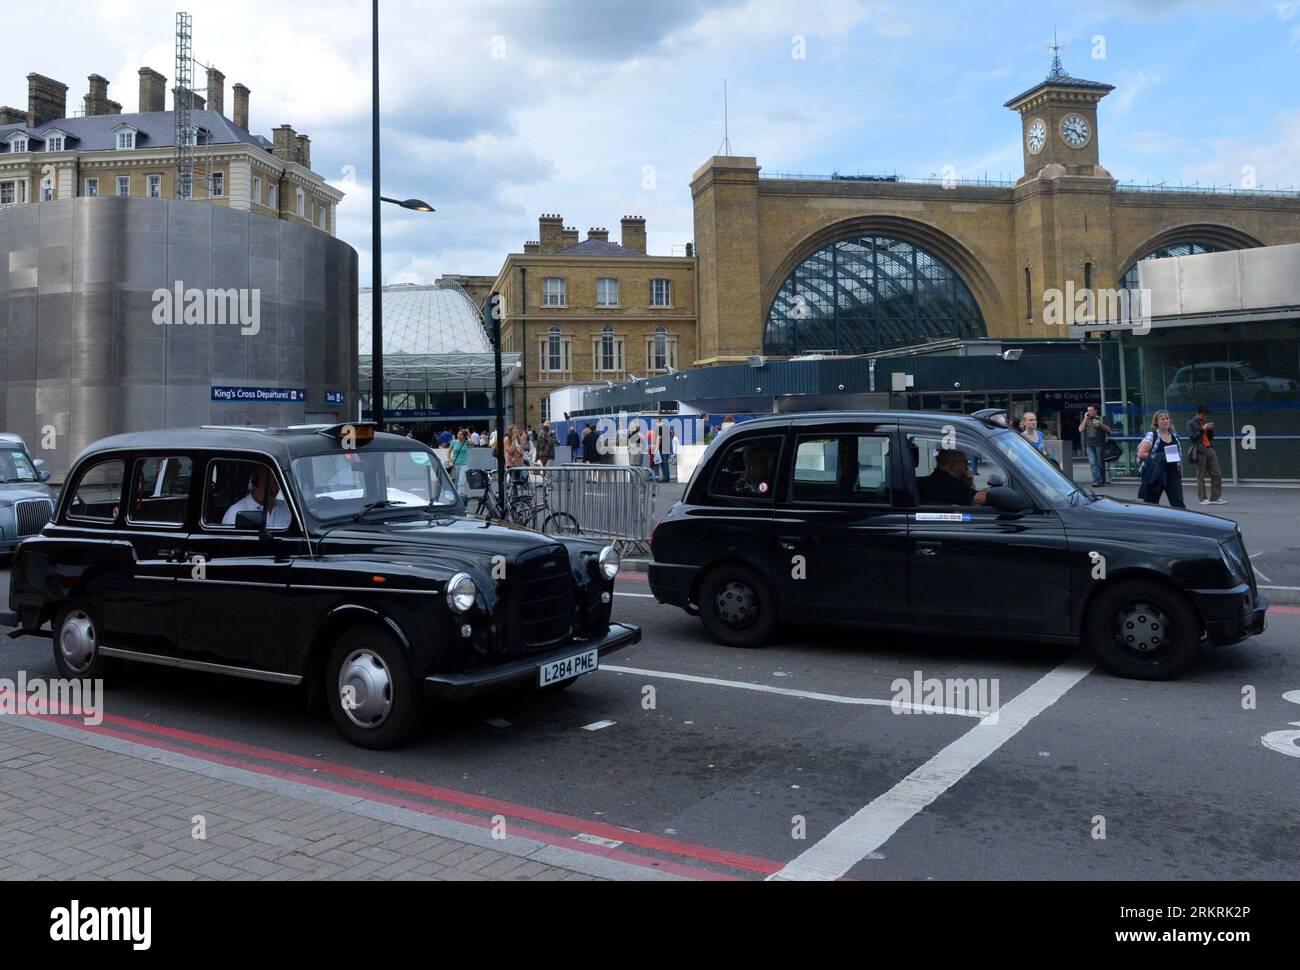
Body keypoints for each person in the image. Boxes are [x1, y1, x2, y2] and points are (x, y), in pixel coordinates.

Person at [1136, 410, 1186, 509]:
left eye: (1167, 418)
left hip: (1172, 473)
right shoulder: (1152, 435)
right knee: (1151, 504)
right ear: (1156, 422)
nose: (1165, 421)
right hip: (1156, 474)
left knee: (1178, 503)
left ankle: (1182, 523)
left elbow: (1178, 457)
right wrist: (1161, 456)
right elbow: (1141, 454)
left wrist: (1180, 471)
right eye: (1162, 419)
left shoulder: (1175, 436)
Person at [223, 464, 292, 528]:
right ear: (255, 482)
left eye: (276, 483)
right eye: (268, 483)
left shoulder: (288, 509)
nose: (273, 488)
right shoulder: (236, 512)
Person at [917, 449, 990, 506]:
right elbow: (980, 498)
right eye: (965, 461)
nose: (967, 465)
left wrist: (968, 483)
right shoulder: (947, 483)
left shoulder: (935, 479)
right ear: (954, 465)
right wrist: (998, 490)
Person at [1186, 405, 1225, 506]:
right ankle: (1202, 498)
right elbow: (1193, 438)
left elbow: (1211, 437)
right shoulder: (1191, 423)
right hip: (1200, 450)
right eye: (1203, 415)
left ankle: (1215, 497)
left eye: (1206, 415)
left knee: (1216, 473)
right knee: (1201, 475)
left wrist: (1210, 429)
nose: (1205, 417)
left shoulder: (1205, 423)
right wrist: (1203, 429)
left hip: (1209, 448)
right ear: (1198, 414)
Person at [1079, 405, 1111, 488]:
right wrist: (1085, 419)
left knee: (1100, 463)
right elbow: (1080, 429)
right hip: (1089, 444)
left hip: (1099, 444)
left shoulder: (1102, 418)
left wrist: (1100, 424)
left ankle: (1102, 480)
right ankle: (1097, 481)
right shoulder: (1086, 420)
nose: (1089, 412)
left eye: (1091, 410)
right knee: (1093, 463)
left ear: (1096, 411)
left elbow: (1108, 429)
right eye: (1088, 410)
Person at [450, 429, 470, 496]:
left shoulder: (466, 442)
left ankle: (460, 495)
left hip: (464, 464)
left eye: (461, 434)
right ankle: (455, 495)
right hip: (455, 464)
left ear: (464, 436)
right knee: (455, 481)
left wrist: (469, 434)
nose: (459, 436)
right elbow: (448, 452)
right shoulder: (453, 442)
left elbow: (472, 443)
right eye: (458, 434)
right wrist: (450, 461)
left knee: (461, 481)